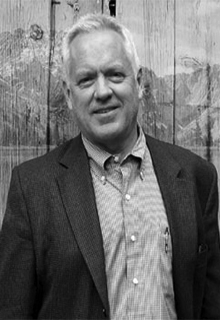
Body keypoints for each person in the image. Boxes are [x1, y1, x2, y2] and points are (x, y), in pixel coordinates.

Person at [0, 13, 220, 320]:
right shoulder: (32, 187)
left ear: (140, 82)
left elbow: (210, 303)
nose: (102, 92)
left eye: (115, 75)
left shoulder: (197, 176)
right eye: (86, 79)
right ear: (68, 94)